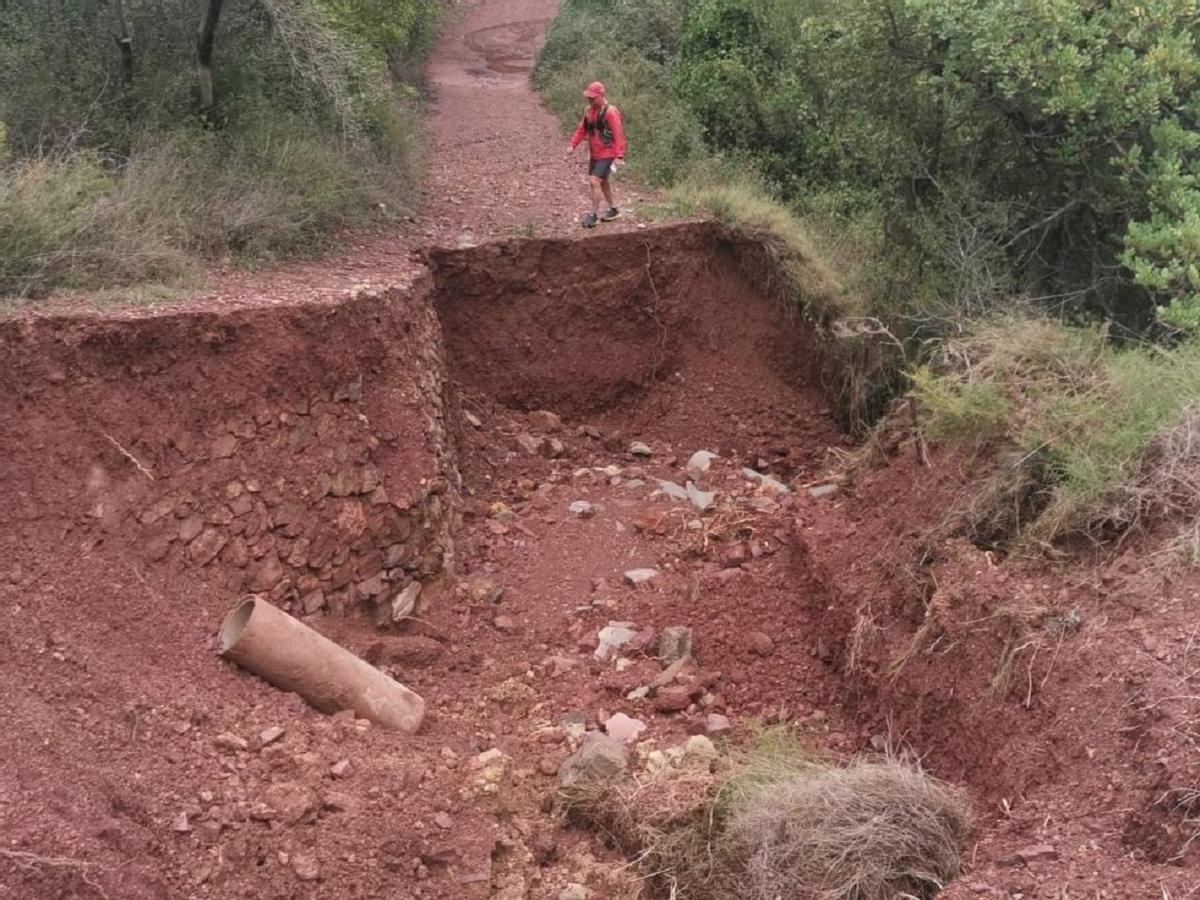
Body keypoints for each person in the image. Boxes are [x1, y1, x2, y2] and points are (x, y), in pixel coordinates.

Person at [565, 81, 627, 229]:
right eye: (589, 98)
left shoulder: (611, 112)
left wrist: (619, 156)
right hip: (595, 154)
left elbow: (619, 134)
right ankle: (613, 209)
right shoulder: (589, 111)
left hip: (607, 152)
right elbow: (582, 129)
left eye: (593, 98)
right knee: (603, 181)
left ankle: (593, 215)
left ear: (601, 96)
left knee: (594, 181)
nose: (590, 100)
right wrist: (572, 145)